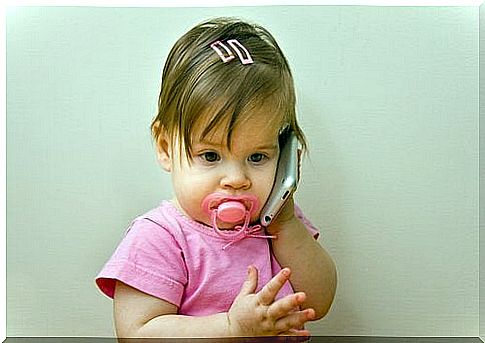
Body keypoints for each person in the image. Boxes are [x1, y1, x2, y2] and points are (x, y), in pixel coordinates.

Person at [95, 17, 337, 338]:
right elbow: (137, 333)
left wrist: (287, 225)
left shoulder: (277, 222)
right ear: (166, 147)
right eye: (211, 156)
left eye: (257, 157)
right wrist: (231, 327)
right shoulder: (160, 237)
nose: (236, 179)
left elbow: (319, 302)